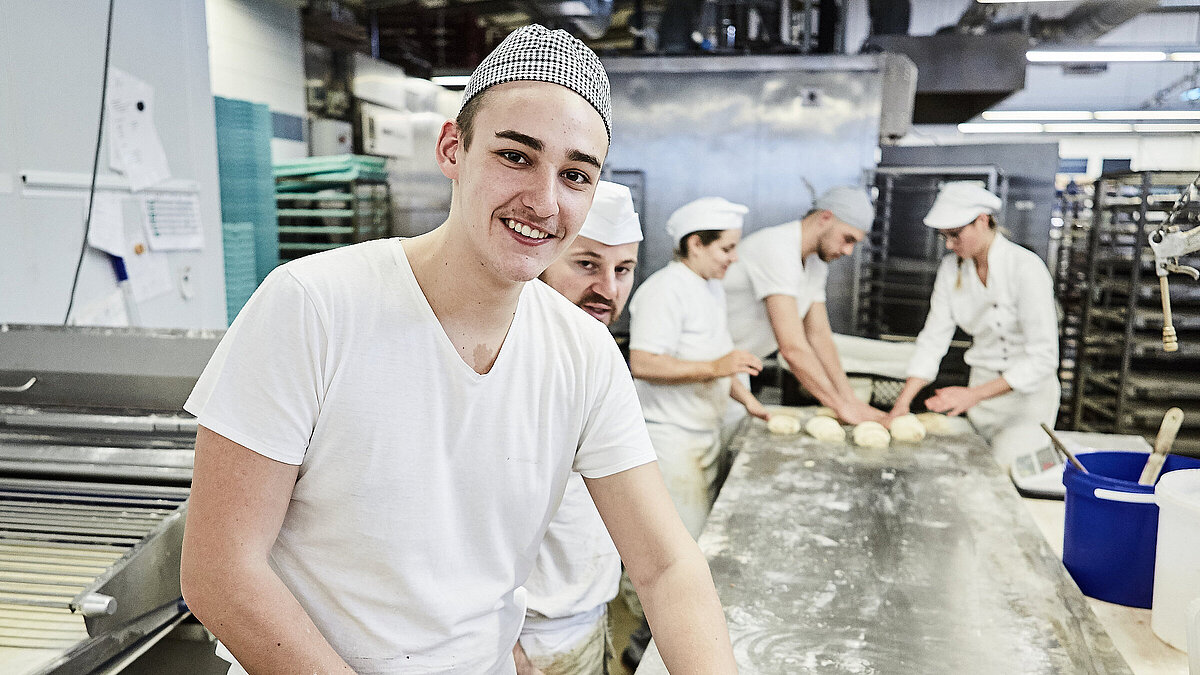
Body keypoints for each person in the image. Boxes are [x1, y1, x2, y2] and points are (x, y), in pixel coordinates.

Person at [180, 25, 736, 675]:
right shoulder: (313, 305)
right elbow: (220, 569)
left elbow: (667, 565)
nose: (545, 200)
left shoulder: (582, 354)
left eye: (576, 174)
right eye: (516, 156)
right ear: (453, 147)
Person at [514, 180, 641, 675]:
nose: (608, 289)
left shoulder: (594, 358)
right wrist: (505, 652)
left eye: (623, 269)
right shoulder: (507, 363)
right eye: (586, 264)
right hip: (524, 642)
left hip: (587, 621)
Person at [888, 181, 1060, 466]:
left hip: (1026, 404)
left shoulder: (1025, 268)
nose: (949, 244)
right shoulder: (951, 268)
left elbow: (1043, 358)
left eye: (955, 234)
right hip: (980, 396)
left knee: (1009, 474)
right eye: (944, 236)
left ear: (982, 221)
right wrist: (902, 403)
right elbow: (933, 338)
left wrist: (972, 395)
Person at [628, 197, 770, 539]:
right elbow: (643, 363)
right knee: (673, 546)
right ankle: (634, 596)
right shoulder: (665, 290)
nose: (734, 258)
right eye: (727, 248)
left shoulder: (710, 287)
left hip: (702, 434)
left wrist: (749, 403)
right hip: (670, 440)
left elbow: (719, 358)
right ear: (695, 244)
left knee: (693, 540)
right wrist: (718, 366)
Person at [723, 186, 888, 425]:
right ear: (825, 217)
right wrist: (839, 406)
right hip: (698, 367)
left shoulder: (815, 264)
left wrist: (850, 399)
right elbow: (792, 347)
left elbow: (819, 337)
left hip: (734, 375)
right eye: (847, 238)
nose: (848, 251)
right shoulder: (777, 248)